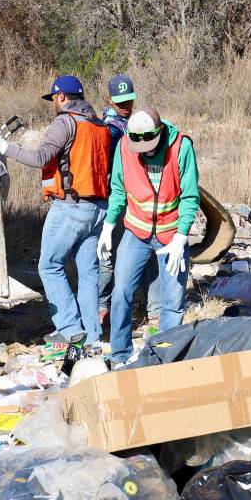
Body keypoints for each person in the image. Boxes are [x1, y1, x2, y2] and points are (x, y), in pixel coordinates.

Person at [0, 75, 111, 345]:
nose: (53, 102)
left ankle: (68, 328)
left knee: (50, 266)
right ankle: (92, 335)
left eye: (53, 97)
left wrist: (4, 146)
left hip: (71, 207)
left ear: (62, 97)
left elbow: (40, 157)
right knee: (87, 273)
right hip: (98, 208)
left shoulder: (65, 121)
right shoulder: (99, 125)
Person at [99, 108, 199, 363]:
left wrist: (181, 236)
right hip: (136, 230)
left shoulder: (180, 147)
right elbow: (119, 189)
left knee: (173, 300)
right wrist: (109, 226)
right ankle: (120, 354)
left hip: (170, 233)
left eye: (149, 144)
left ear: (159, 134)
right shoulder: (124, 146)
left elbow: (189, 196)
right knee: (121, 291)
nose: (143, 150)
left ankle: (165, 357)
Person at [97, 74, 160, 332]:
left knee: (146, 252)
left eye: (128, 100)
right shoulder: (108, 130)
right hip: (117, 198)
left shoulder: (138, 123)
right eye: (120, 101)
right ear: (110, 100)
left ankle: (151, 310)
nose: (125, 105)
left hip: (139, 198)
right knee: (111, 256)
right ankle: (104, 309)